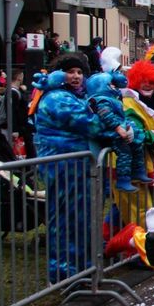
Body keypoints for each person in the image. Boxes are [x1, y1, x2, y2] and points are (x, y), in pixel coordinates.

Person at [33, 53, 104, 281]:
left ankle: (82, 269)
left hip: (77, 167)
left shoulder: (75, 97)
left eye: (80, 72)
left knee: (81, 220)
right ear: (59, 73)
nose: (75, 76)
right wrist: (111, 120)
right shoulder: (57, 98)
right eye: (70, 71)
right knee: (66, 221)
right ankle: (65, 273)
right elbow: (91, 124)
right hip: (63, 166)